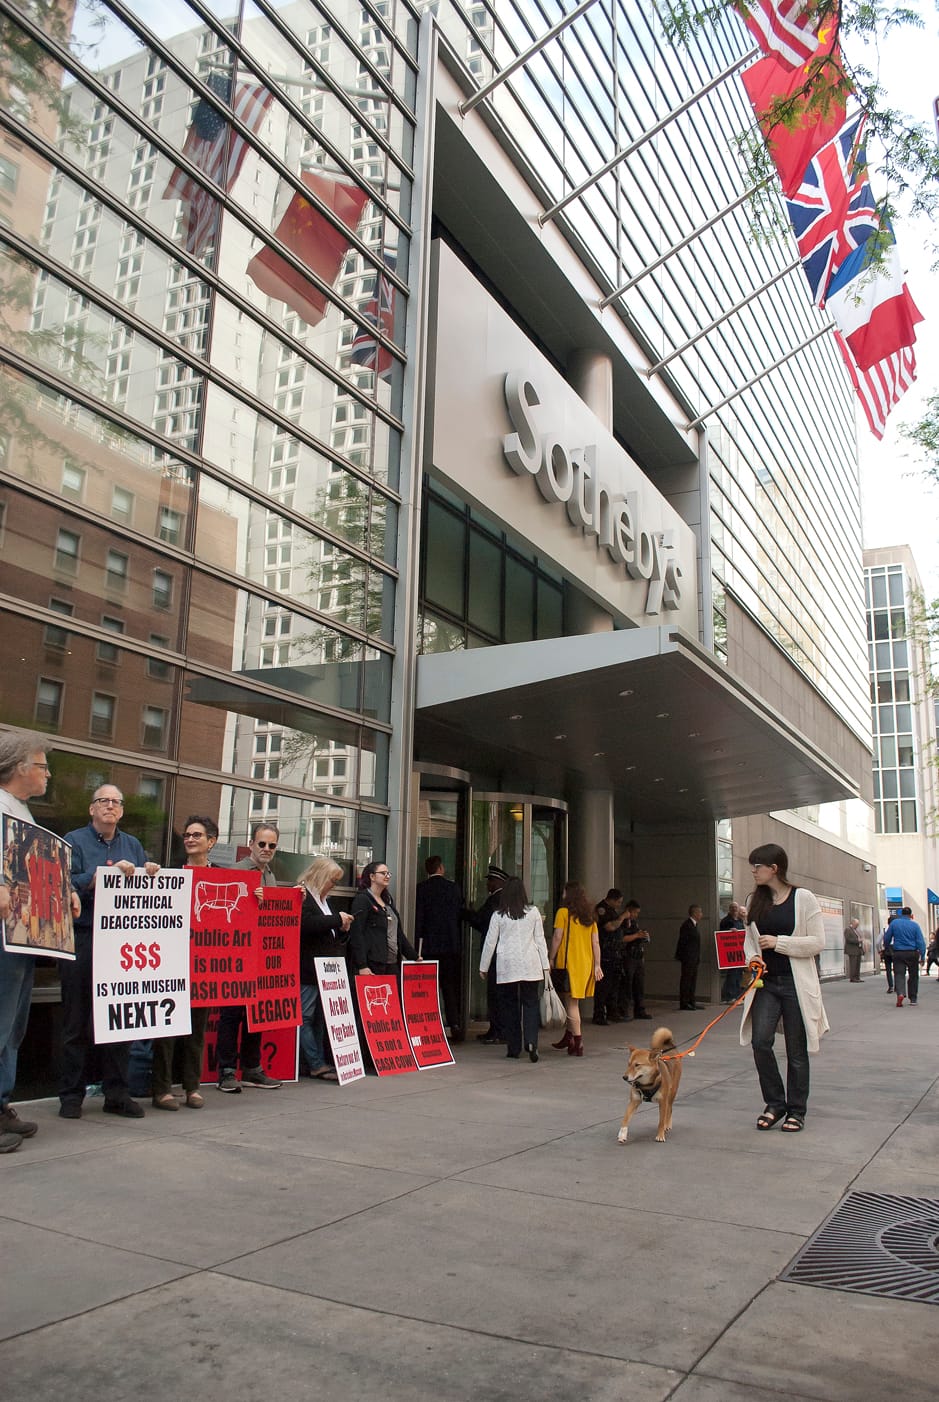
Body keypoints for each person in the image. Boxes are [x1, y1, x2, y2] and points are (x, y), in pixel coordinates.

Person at [59, 784, 160, 1120]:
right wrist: (102, 875)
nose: (110, 807)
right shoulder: (73, 841)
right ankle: (71, 1097)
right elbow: (63, 884)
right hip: (83, 937)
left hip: (120, 943)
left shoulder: (132, 844)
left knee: (119, 1019)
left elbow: (144, 895)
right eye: (104, 801)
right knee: (76, 1021)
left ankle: (117, 1094)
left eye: (117, 802)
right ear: (92, 809)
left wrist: (150, 874)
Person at [0, 732, 80, 1152]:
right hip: (3, 938)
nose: (48, 772)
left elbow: (33, 867)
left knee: (13, 1028)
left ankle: (2, 1106)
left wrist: (62, 890)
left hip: (23, 938)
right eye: (43, 764)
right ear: (19, 769)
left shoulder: (24, 814)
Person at [741, 843, 828, 1134]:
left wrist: (780, 943)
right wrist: (752, 958)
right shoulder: (755, 899)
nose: (753, 871)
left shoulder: (803, 898)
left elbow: (817, 942)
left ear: (774, 868)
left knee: (796, 1049)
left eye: (758, 866)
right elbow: (749, 941)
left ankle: (797, 1110)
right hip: (766, 984)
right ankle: (775, 1103)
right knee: (760, 1042)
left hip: (795, 984)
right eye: (752, 866)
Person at [151, 816, 219, 1110]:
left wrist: (255, 896)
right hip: (171, 962)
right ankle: (162, 1090)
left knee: (196, 1030)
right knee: (165, 1030)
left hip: (203, 966)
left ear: (211, 842)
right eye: (187, 835)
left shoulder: (223, 879)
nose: (190, 839)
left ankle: (192, 1087)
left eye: (197, 835)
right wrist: (150, 875)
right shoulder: (170, 874)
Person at [216, 823, 283, 1093]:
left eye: (272, 845)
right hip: (235, 956)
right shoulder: (235, 872)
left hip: (259, 956)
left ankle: (252, 1069)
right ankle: (227, 1071)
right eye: (262, 844)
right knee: (231, 1015)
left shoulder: (271, 877)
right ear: (251, 843)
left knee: (258, 1014)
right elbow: (224, 913)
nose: (266, 849)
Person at [479, 877, 550, 1061]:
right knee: (530, 1004)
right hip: (530, 964)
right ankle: (532, 1042)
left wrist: (483, 966)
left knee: (510, 1006)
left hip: (507, 965)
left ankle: (514, 1047)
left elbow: (490, 942)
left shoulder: (499, 915)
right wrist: (545, 965)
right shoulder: (533, 912)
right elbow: (540, 940)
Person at [296, 856, 352, 1081]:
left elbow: (326, 931)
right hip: (309, 967)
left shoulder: (323, 900)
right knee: (306, 1016)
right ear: (320, 876)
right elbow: (306, 925)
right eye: (332, 880)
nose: (334, 886)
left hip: (324, 968)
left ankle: (316, 1061)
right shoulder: (304, 896)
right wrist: (336, 920)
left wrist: (342, 927)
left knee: (318, 1017)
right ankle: (315, 1062)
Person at [414, 855, 465, 1040]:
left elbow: (419, 918)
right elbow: (459, 912)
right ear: (441, 868)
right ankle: (455, 1024)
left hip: (428, 946)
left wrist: (417, 944)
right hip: (450, 945)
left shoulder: (421, 889)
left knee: (428, 986)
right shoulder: (453, 888)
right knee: (449, 986)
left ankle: (430, 1025)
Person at [549, 881, 602, 1057]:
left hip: (568, 963)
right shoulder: (589, 916)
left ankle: (577, 1042)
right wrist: (597, 965)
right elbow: (595, 942)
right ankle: (568, 1036)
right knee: (574, 1002)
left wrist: (550, 957)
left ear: (568, 894)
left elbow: (557, 936)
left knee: (571, 1004)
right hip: (585, 964)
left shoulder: (563, 913)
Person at [348, 860, 417, 976]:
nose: (387, 876)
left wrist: (414, 956)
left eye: (388, 873)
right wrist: (362, 965)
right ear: (372, 876)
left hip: (392, 963)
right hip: (373, 963)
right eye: (383, 873)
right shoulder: (363, 900)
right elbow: (357, 933)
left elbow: (398, 933)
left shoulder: (387, 902)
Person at [465, 864, 509, 1043]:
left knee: (495, 995)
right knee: (498, 995)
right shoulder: (502, 899)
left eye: (490, 880)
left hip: (495, 956)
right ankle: (497, 1030)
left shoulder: (495, 900)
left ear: (498, 881)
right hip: (502, 955)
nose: (487, 884)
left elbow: (482, 922)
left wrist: (464, 913)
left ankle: (497, 1031)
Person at [592, 888, 627, 1025]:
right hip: (606, 952)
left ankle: (612, 1011)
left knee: (614, 984)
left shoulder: (612, 910)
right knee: (603, 986)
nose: (619, 905)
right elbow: (610, 927)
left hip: (614, 953)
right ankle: (599, 1014)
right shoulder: (602, 909)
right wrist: (622, 917)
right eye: (618, 902)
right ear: (611, 899)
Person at [616, 899, 652, 1021]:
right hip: (628, 956)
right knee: (627, 984)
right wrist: (637, 936)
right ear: (628, 911)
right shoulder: (622, 922)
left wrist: (643, 936)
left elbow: (637, 936)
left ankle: (640, 1009)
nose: (636, 915)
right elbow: (622, 939)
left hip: (638, 956)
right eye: (634, 912)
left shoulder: (635, 923)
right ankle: (623, 1010)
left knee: (639, 985)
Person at [883, 907, 926, 1007]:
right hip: (912, 953)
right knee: (913, 975)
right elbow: (920, 942)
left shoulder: (894, 923)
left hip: (898, 953)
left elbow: (887, 937)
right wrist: (922, 956)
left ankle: (900, 993)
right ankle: (913, 998)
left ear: (901, 914)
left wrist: (886, 947)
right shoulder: (915, 925)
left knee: (899, 974)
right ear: (911, 915)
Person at [675, 904, 705, 1010]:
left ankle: (691, 1001)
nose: (701, 914)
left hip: (694, 958)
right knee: (686, 980)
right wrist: (685, 957)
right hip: (688, 958)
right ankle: (684, 1002)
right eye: (700, 912)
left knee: (692, 980)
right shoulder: (686, 925)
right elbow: (683, 943)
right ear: (695, 913)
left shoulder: (694, 925)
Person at [719, 901, 746, 1003]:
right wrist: (729, 932)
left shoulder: (740, 920)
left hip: (739, 953)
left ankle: (737, 995)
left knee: (739, 975)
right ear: (730, 909)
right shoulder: (725, 921)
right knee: (732, 975)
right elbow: (721, 936)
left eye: (736, 907)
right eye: (733, 907)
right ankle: (730, 996)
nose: (735, 909)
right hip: (730, 953)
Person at [843, 917, 864, 983]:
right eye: (857, 924)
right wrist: (858, 940)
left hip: (858, 950)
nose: (857, 925)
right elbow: (848, 939)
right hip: (852, 950)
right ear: (853, 923)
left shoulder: (856, 930)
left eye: (858, 924)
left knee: (858, 964)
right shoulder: (848, 929)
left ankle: (857, 977)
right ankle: (853, 978)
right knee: (853, 964)